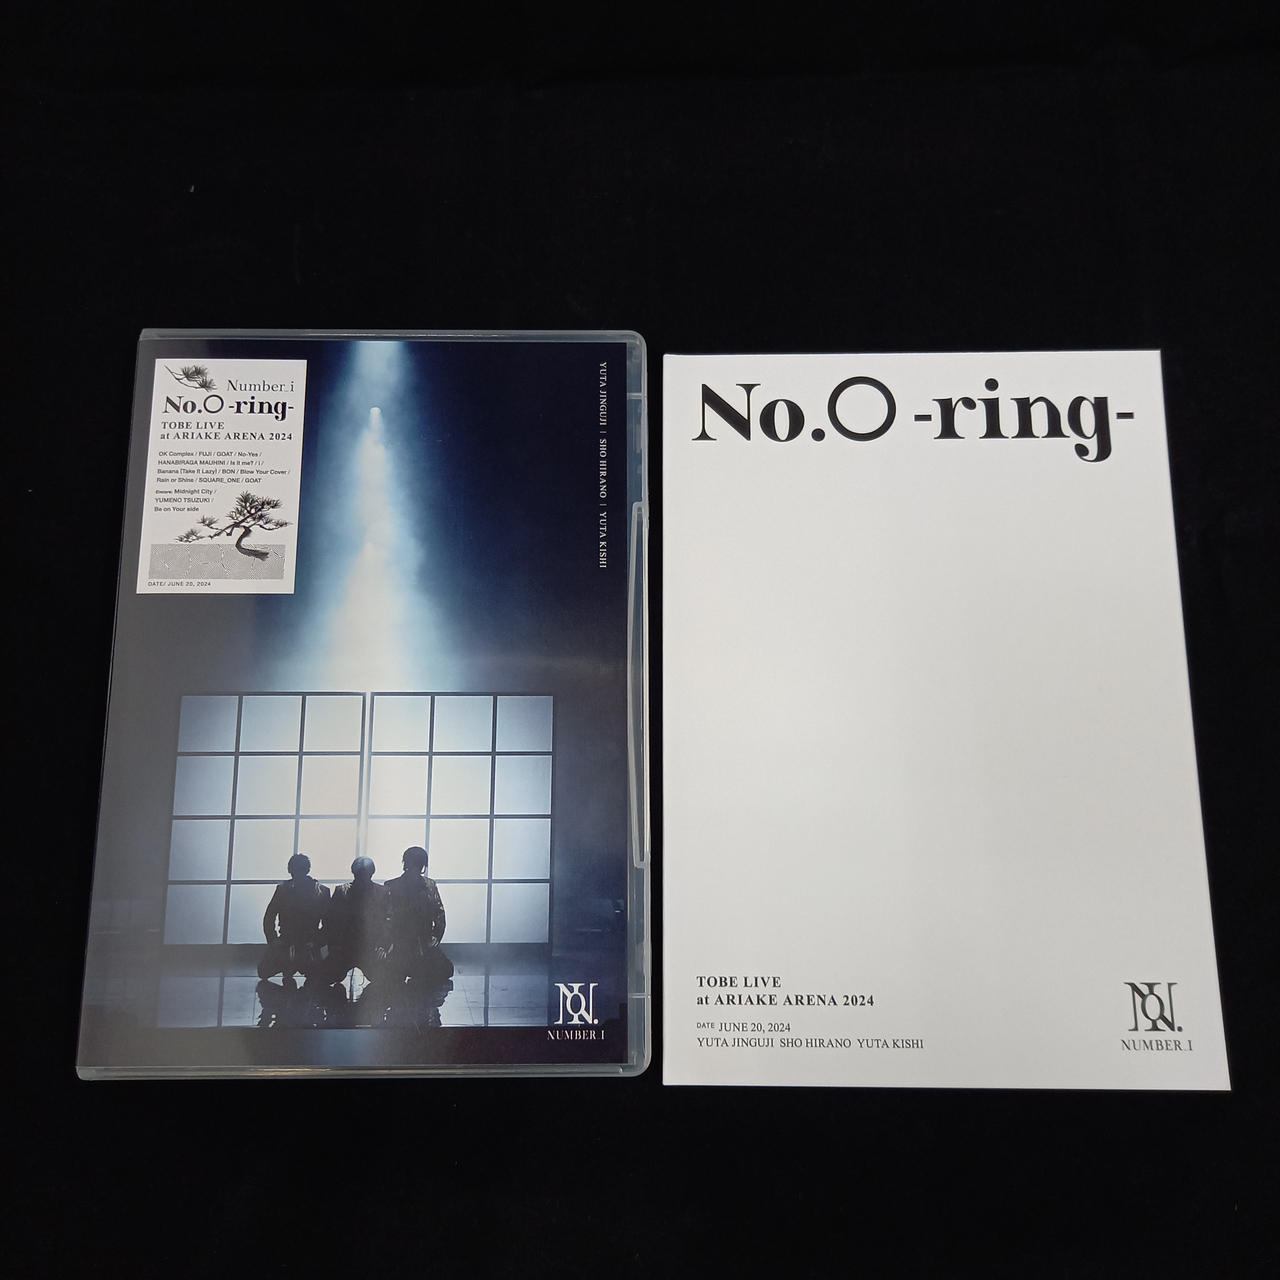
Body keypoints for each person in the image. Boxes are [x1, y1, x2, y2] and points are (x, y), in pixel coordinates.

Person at [383, 845, 453, 988]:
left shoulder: (429, 885)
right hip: (400, 943)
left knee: (445, 970)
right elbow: (386, 918)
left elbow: (439, 914)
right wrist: (386, 944)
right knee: (392, 975)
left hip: (423, 942)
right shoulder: (392, 886)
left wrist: (435, 937)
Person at [257, 852, 331, 982]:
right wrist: (274, 941)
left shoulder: (284, 889)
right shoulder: (320, 891)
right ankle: (292, 965)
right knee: (264, 971)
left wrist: (274, 940)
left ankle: (290, 966)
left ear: (290, 870)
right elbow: (329, 924)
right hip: (296, 942)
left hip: (303, 943)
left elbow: (269, 917)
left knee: (264, 971)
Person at [321, 856, 389, 986]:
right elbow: (330, 921)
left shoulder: (382, 892)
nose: (362, 878)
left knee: (386, 979)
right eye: (360, 874)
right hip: (346, 948)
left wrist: (382, 945)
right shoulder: (380, 892)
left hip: (368, 949)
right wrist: (334, 947)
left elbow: (388, 922)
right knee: (324, 977)